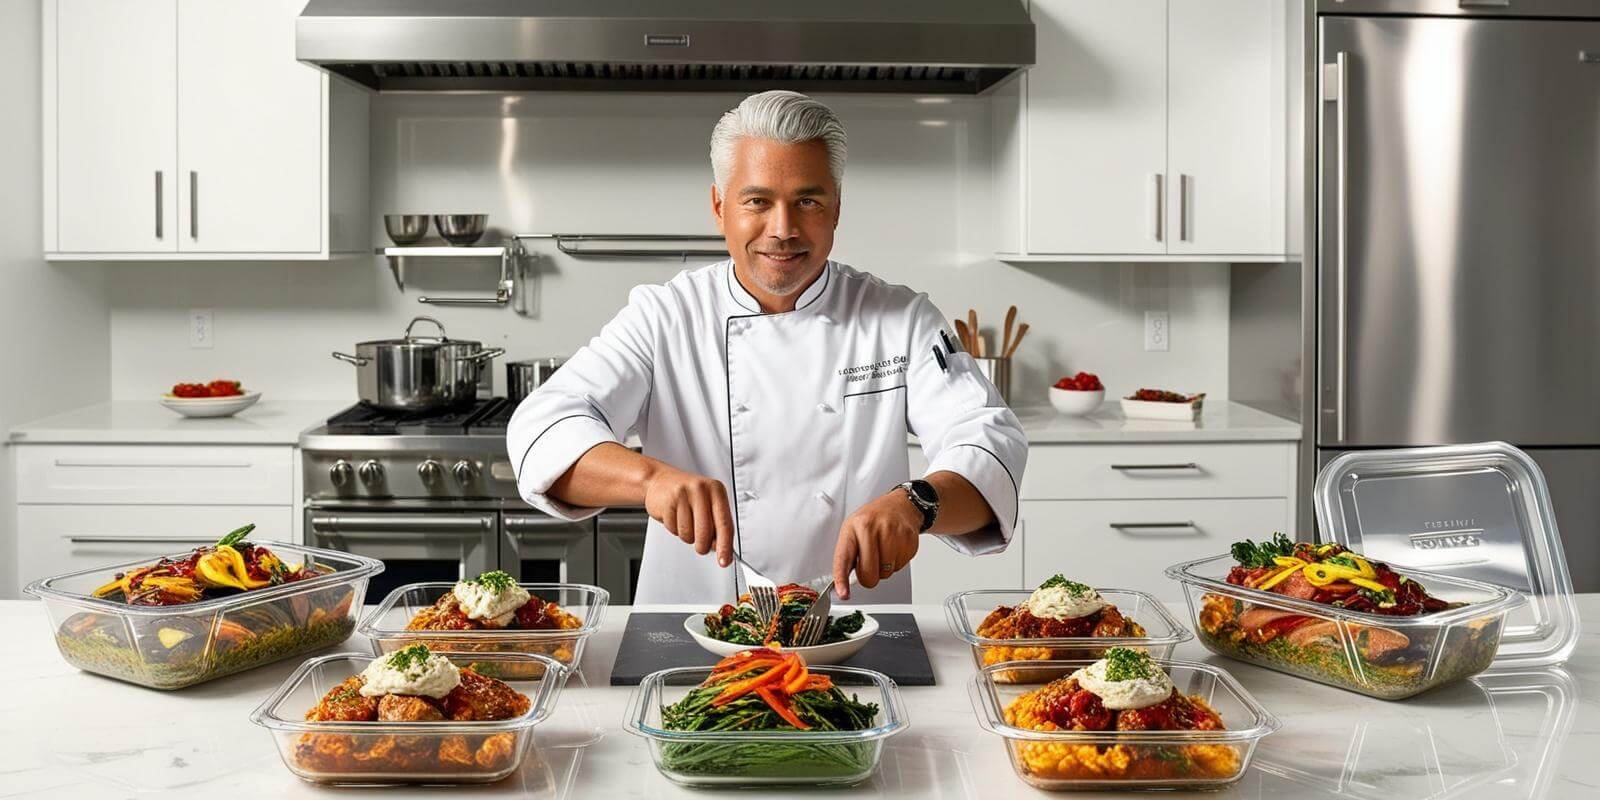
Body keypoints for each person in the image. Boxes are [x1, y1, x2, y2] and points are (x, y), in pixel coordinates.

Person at [507, 90, 1026, 604]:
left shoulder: (900, 319)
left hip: (860, 637)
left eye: (808, 201)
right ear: (719, 207)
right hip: (693, 629)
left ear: (836, 209)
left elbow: (988, 438)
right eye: (757, 201)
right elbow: (544, 426)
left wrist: (916, 504)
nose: (783, 229)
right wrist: (650, 480)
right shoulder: (665, 316)